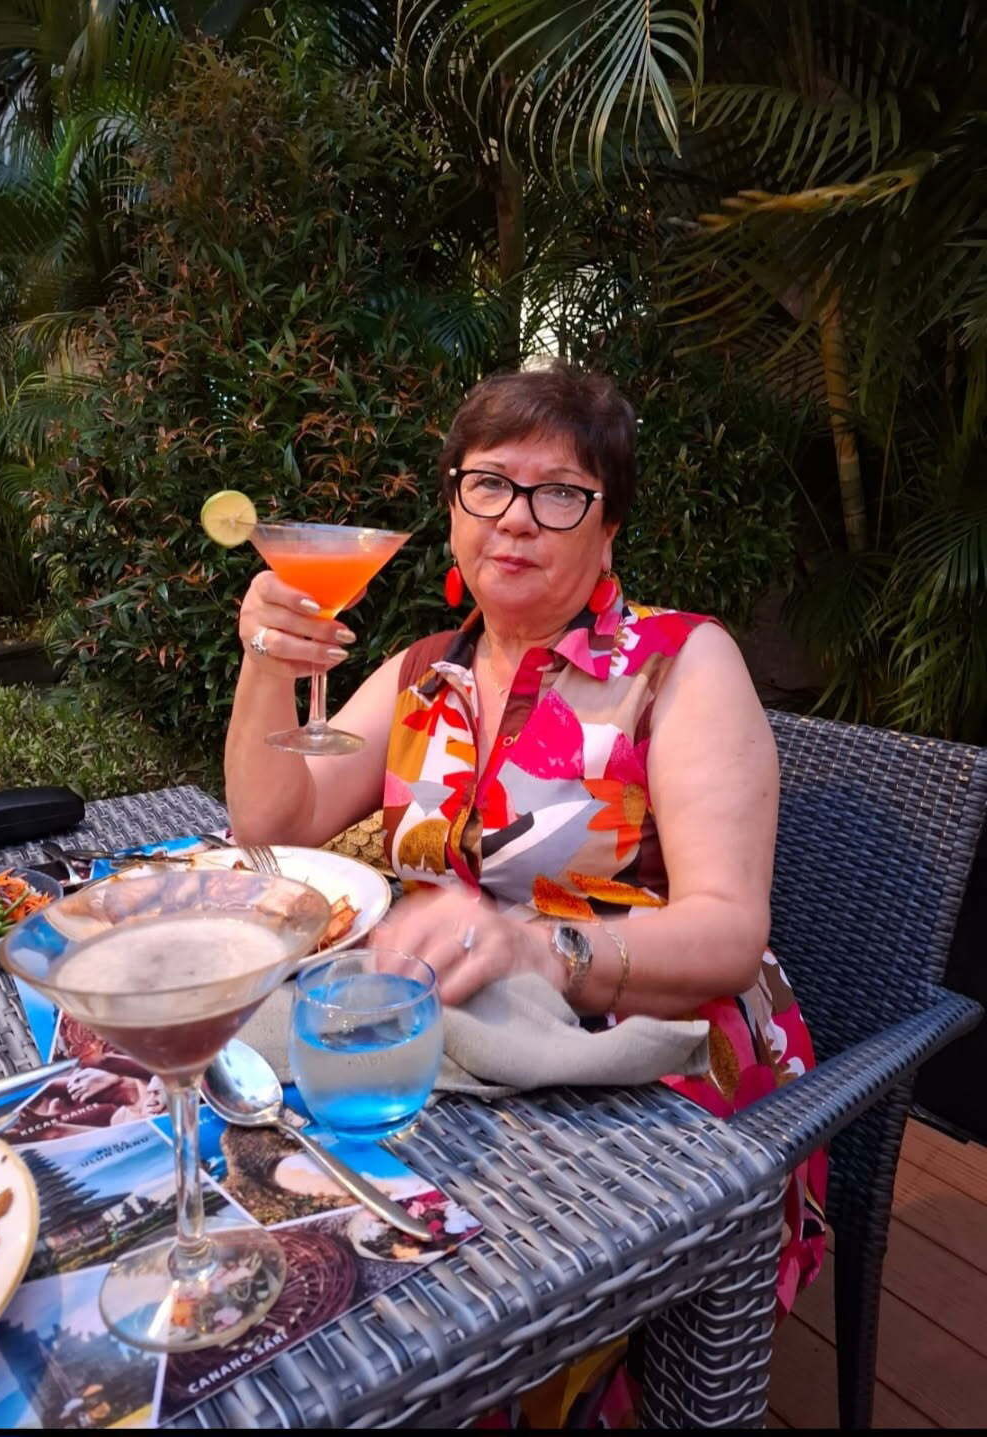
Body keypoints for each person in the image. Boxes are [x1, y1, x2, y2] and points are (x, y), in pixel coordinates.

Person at [224, 362, 826, 1426]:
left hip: (651, 1068)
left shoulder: (681, 664)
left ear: (609, 526)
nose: (518, 519)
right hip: (446, 1036)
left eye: (562, 494)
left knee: (460, 1325)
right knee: (264, 1208)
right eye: (489, 484)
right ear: (455, 504)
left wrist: (536, 948)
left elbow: (732, 935)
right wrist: (267, 661)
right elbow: (273, 825)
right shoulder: (424, 671)